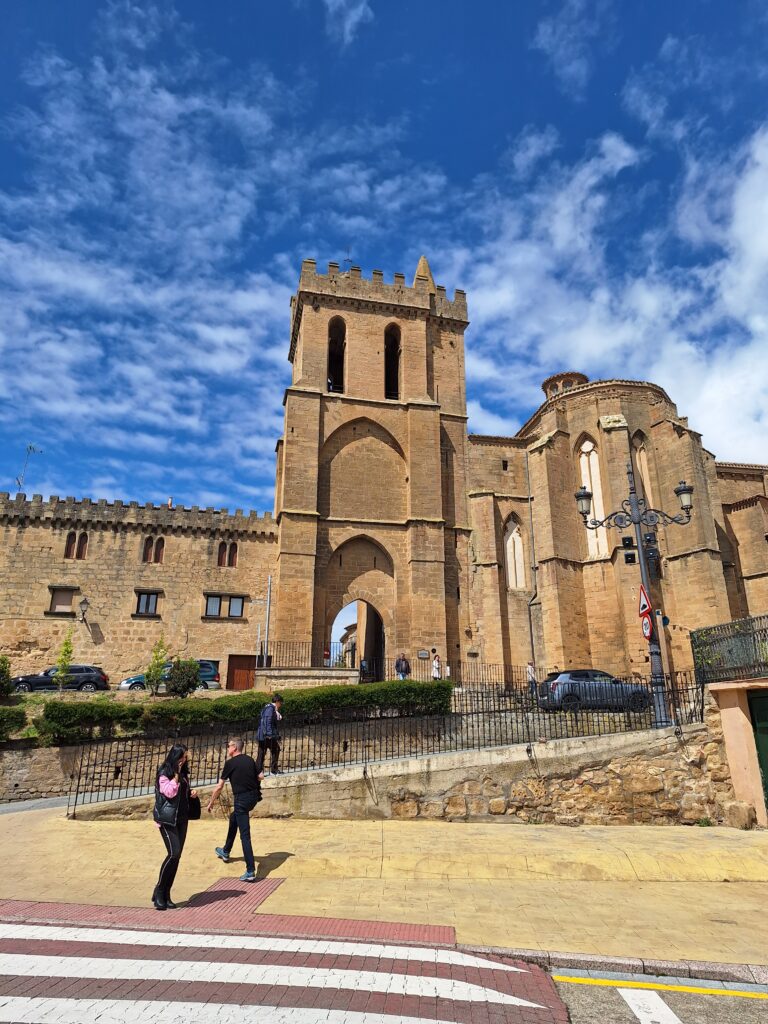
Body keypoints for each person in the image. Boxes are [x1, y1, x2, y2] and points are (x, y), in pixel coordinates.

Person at [207, 737, 263, 883]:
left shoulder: (230, 763)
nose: (227, 748)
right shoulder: (250, 760)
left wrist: (211, 802)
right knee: (234, 818)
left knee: (245, 835)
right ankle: (225, 850)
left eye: (229, 746)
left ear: (235, 748)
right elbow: (261, 776)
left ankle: (250, 871)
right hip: (253, 798)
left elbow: (219, 786)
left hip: (242, 800)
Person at [153, 743, 197, 911]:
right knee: (173, 853)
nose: (184, 760)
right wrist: (177, 775)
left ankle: (167, 894)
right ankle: (159, 890)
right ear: (175, 757)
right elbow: (169, 792)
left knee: (176, 857)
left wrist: (191, 793)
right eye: (182, 757)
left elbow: (181, 792)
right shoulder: (164, 773)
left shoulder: (183, 773)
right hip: (167, 820)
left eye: (186, 757)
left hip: (181, 819)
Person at [255, 694, 283, 776]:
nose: (281, 705)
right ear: (277, 702)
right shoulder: (270, 709)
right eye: (280, 703)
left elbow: (275, 718)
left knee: (262, 753)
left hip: (264, 735)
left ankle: (258, 771)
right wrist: (269, 734)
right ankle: (273, 770)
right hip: (267, 735)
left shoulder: (269, 708)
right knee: (275, 749)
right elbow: (268, 721)